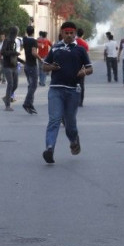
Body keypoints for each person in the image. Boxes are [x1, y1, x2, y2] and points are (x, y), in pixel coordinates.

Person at [41, 21, 92, 164]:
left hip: (73, 91)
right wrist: (51, 67)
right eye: (66, 33)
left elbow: (90, 68)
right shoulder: (55, 48)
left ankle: (74, 139)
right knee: (54, 120)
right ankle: (49, 148)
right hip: (56, 89)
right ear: (62, 33)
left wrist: (84, 71)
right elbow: (45, 66)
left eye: (71, 33)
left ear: (75, 34)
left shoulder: (80, 50)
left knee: (70, 123)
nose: (69, 35)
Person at [0, 26, 20, 111]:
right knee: (10, 84)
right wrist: (14, 52)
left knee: (15, 84)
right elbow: (3, 52)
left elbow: (14, 56)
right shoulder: (7, 40)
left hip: (14, 65)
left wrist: (22, 61)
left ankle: (6, 97)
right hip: (7, 66)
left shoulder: (14, 41)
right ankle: (7, 105)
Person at [22, 25, 39, 114]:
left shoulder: (25, 40)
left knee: (30, 85)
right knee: (34, 85)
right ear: (33, 32)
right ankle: (27, 103)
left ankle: (30, 104)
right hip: (32, 65)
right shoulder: (33, 41)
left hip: (26, 65)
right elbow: (34, 53)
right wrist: (41, 59)